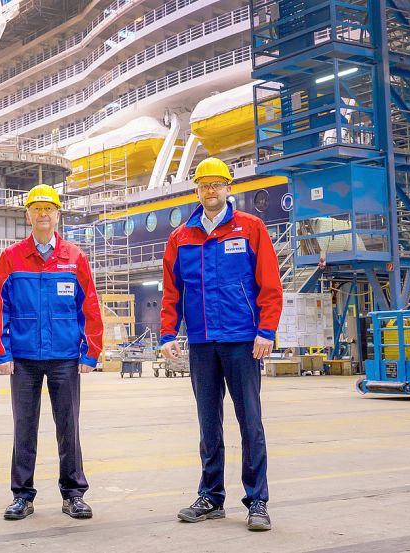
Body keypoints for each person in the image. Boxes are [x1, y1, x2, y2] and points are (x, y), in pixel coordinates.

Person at [159, 157, 283, 531]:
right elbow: (171, 292)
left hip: (243, 341)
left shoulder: (251, 228)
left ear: (229, 188)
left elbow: (270, 285)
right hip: (201, 344)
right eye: (203, 185)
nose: (210, 190)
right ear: (196, 190)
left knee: (250, 423)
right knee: (208, 424)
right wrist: (167, 334)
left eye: (217, 184)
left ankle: (257, 500)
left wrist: (266, 330)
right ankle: (211, 496)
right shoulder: (181, 236)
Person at [0, 184, 103, 521]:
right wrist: (1, 351)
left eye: (48, 209)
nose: (42, 214)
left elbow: (90, 307)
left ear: (57, 215)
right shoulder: (11, 257)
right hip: (23, 358)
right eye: (36, 209)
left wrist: (90, 351)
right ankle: (22, 495)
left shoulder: (74, 257)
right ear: (28, 216)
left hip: (65, 356)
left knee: (69, 425)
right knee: (25, 426)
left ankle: (74, 493)